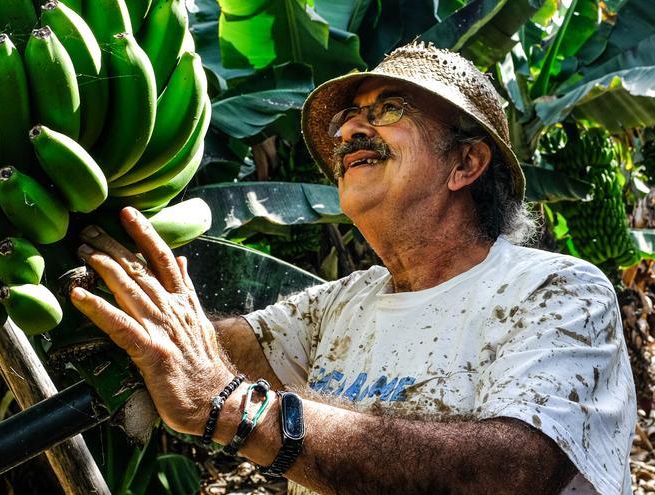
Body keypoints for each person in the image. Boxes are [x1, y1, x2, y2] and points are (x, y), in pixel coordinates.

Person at [69, 42, 636, 495]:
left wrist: (234, 408)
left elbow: (512, 474)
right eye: (345, 121)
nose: (346, 134)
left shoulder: (556, 290)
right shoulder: (341, 304)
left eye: (386, 110)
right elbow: (211, 351)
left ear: (465, 162)